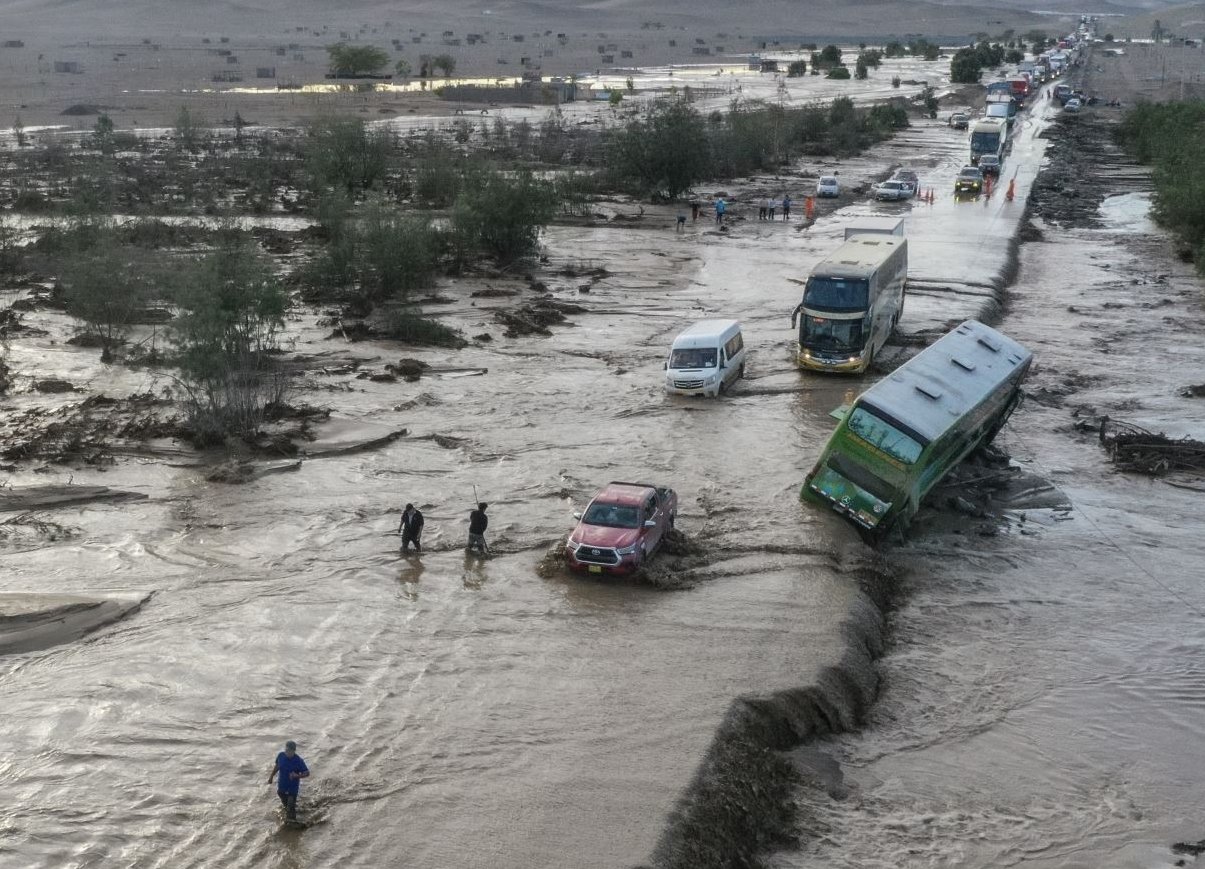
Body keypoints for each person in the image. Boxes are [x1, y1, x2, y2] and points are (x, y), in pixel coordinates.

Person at [268, 740, 309, 821]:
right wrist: (271, 776)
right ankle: (289, 814)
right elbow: (277, 766)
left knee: (290, 804)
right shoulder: (281, 756)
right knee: (285, 804)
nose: (287, 752)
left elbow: (307, 773)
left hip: (292, 788)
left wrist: (296, 775)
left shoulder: (299, 761)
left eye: (290, 751)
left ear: (294, 751)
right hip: (282, 786)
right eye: (286, 750)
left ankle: (292, 822)